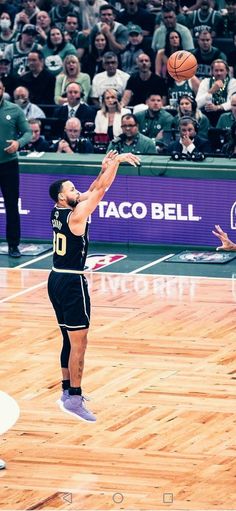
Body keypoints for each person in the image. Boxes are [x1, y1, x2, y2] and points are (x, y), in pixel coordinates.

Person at [47, 150, 140, 421]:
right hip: (72, 280)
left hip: (55, 277)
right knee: (80, 342)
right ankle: (74, 398)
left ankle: (66, 390)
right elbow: (100, 191)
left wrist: (104, 168)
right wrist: (117, 164)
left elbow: (91, 189)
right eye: (71, 189)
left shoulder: (58, 210)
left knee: (67, 337)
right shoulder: (76, 217)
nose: (77, 190)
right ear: (63, 196)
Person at [0, 80, 32, 257]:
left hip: (8, 164)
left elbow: (28, 132)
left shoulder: (14, 110)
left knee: (11, 205)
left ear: (3, 90)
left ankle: (13, 245)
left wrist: (18, 143)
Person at [196, 59, 236, 127]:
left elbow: (232, 103)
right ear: (212, 72)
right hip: (207, 116)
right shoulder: (205, 82)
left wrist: (217, 107)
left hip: (225, 115)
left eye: (221, 70)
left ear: (227, 71)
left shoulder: (233, 82)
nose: (219, 73)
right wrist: (211, 91)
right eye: (216, 70)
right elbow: (197, 104)